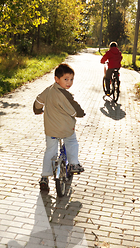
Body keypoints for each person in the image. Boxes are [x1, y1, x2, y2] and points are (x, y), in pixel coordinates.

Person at [33, 63, 85, 192]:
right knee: (72, 142)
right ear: (57, 79)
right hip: (66, 129)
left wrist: (37, 109)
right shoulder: (65, 95)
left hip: (51, 129)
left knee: (50, 151)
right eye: (66, 79)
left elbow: (39, 101)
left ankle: (44, 177)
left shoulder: (48, 90)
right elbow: (74, 109)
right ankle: (73, 163)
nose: (69, 83)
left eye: (71, 79)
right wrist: (81, 113)